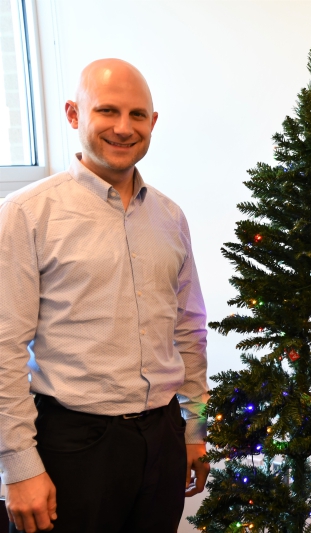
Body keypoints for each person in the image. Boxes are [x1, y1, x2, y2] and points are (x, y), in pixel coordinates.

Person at [0, 59, 210, 533]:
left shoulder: (170, 217)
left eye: (137, 115)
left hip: (163, 437)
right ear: (74, 114)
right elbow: (4, 347)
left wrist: (194, 429)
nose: (123, 128)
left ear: (153, 122)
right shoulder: (26, 214)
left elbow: (189, 330)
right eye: (107, 111)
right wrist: (18, 466)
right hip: (73, 445)